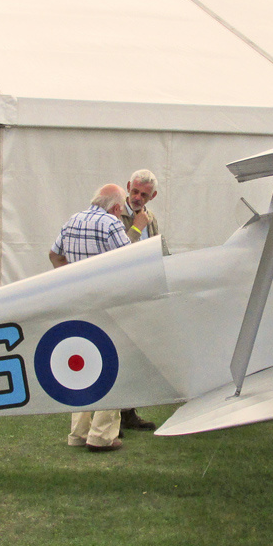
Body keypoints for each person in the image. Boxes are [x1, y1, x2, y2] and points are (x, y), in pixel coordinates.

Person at [49, 184, 131, 451]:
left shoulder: (72, 219)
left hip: (77, 304)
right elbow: (129, 261)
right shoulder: (111, 224)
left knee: (83, 366)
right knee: (111, 365)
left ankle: (78, 433)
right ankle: (102, 435)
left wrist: (71, 277)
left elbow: (54, 254)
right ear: (117, 207)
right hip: (107, 304)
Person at [118, 170, 160, 431]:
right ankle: (111, 416)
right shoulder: (114, 213)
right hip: (119, 292)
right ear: (127, 187)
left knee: (137, 352)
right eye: (134, 191)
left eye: (144, 194)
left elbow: (154, 248)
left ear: (152, 196)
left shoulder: (151, 216)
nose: (137, 197)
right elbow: (117, 253)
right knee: (119, 350)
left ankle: (129, 411)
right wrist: (137, 227)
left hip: (141, 291)